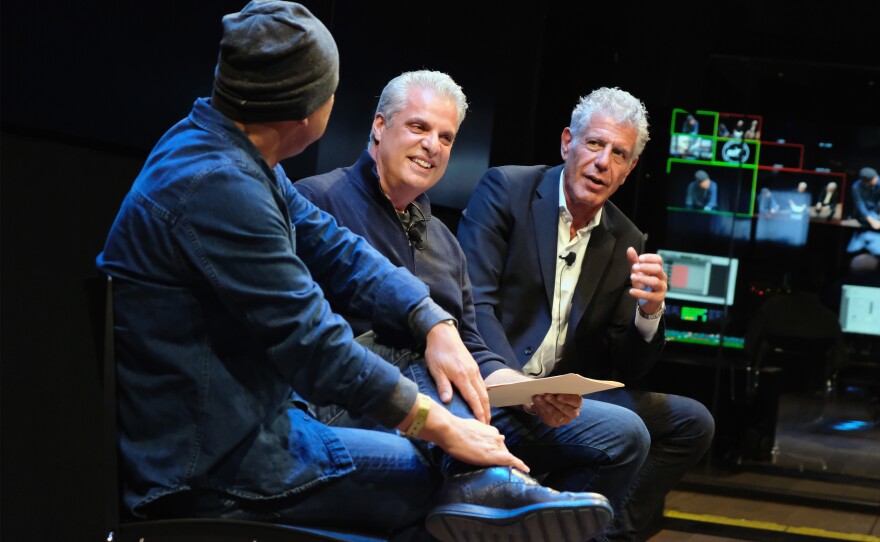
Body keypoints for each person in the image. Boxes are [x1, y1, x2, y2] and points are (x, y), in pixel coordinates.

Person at [94, 3, 611, 541]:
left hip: (241, 428)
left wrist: (431, 320)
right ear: (307, 108)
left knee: (457, 486)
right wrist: (438, 427)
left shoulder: (219, 151)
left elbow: (338, 248)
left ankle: (487, 490)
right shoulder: (221, 184)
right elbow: (316, 346)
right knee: (440, 483)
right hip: (215, 462)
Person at [294, 70, 644, 541]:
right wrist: (433, 340)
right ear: (379, 127)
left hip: (455, 396)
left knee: (624, 435)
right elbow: (303, 331)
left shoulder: (442, 239)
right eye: (419, 128)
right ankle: (488, 487)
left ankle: (506, 510)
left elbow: (473, 345)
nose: (432, 145)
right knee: (410, 349)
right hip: (360, 396)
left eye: (446, 137)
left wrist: (525, 391)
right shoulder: (318, 202)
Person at [457, 86, 716, 541]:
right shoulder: (507, 190)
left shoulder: (626, 235)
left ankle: (605, 536)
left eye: (619, 153)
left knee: (692, 422)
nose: (603, 162)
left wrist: (650, 313)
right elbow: (473, 305)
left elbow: (627, 365)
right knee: (628, 431)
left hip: (560, 396)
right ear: (566, 143)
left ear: (629, 169)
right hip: (495, 386)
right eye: (595, 143)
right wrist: (520, 387)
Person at [847, 166, 880, 255]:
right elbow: (860, 205)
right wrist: (872, 221)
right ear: (866, 181)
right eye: (874, 178)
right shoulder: (856, 187)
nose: (877, 178)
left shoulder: (879, 182)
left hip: (876, 211)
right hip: (863, 215)